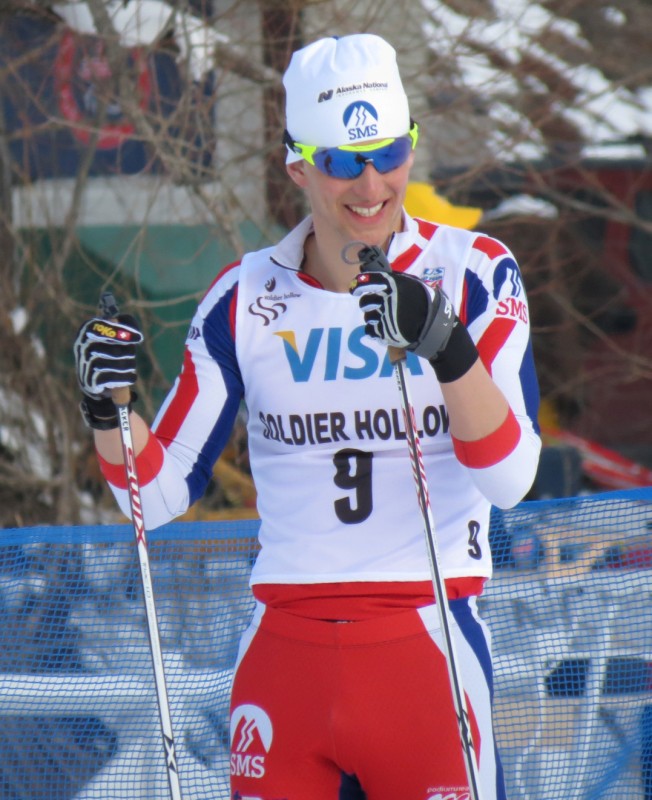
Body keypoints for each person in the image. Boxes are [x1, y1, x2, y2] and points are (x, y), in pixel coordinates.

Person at [73, 33, 541, 800]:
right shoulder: (244, 298)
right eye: (341, 162)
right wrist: (106, 408)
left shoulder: (473, 272)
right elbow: (150, 501)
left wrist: (444, 345)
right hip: (284, 659)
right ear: (298, 165)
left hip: (425, 645)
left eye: (388, 152)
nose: (370, 184)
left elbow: (513, 477)